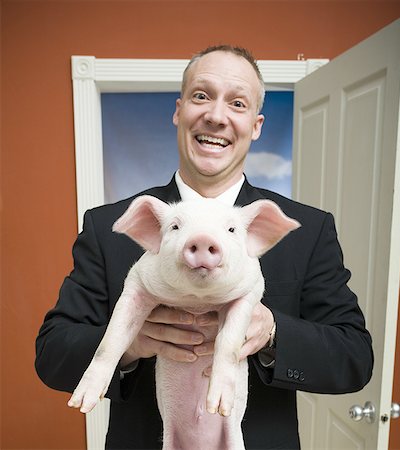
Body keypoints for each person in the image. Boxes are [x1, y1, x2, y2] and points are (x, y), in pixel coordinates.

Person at [35, 45, 373, 449]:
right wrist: (131, 343)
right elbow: (52, 353)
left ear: (256, 124)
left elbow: (354, 358)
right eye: (201, 96)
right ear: (179, 111)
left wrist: (272, 332)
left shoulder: (305, 229)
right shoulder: (113, 226)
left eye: (237, 103)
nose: (216, 116)